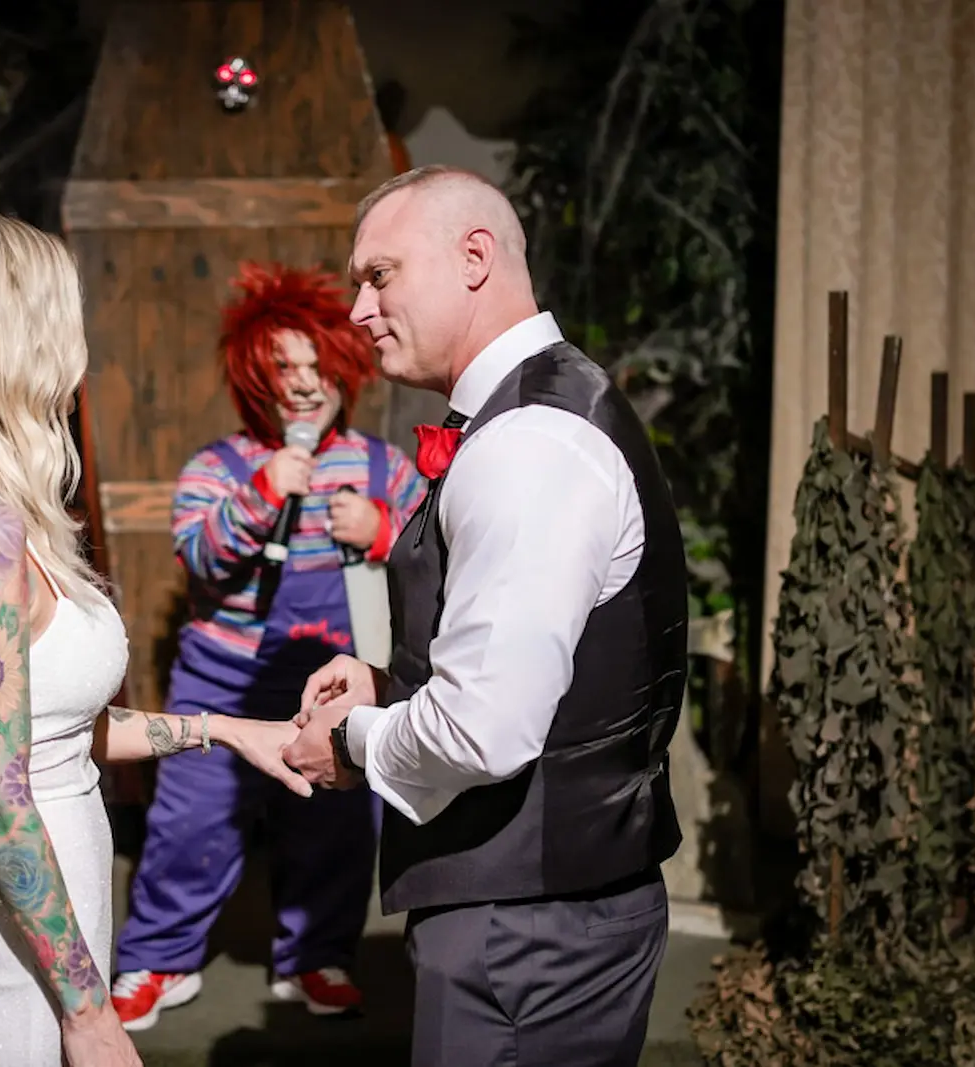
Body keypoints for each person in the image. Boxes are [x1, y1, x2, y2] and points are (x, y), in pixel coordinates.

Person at [0, 213, 313, 1067]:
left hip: (43, 917)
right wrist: (90, 1009)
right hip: (17, 943)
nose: (78, 351)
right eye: (63, 321)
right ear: (12, 337)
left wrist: (228, 730)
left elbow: (48, 734)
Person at [283, 165, 688, 1066]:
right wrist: (393, 682)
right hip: (541, 917)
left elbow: (483, 731)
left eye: (378, 274)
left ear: (474, 258)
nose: (357, 308)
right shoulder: (533, 416)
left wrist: (353, 738)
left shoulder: (530, 444)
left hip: (530, 933)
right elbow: (544, 668)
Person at [109, 263, 426, 1030]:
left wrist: (381, 531)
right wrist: (264, 492)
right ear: (255, 375)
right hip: (220, 680)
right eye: (285, 367)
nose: (305, 384)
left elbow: (434, 557)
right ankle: (158, 959)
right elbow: (204, 559)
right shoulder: (216, 468)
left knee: (336, 827)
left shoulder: (384, 466)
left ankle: (317, 955)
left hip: (332, 685)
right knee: (191, 824)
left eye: (319, 365)